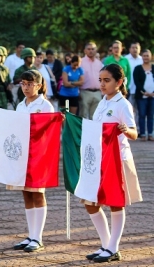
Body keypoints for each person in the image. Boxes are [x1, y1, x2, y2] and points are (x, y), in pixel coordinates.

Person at [84, 64, 142, 263]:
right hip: (100, 158)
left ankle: (113, 248)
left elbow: (134, 134)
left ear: (119, 82)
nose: (102, 84)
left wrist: (125, 129)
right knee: (90, 202)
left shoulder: (122, 104)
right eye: (100, 80)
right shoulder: (103, 101)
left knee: (115, 203)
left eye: (106, 80)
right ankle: (106, 245)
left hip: (118, 159)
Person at [11, 70, 54, 252]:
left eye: (30, 84)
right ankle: (30, 234)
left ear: (38, 85)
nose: (26, 87)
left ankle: (38, 237)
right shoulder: (20, 105)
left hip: (39, 155)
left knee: (37, 193)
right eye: (23, 84)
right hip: (22, 155)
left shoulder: (45, 106)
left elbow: (49, 132)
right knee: (26, 194)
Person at [133, 49, 154, 141]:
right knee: (141, 114)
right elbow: (137, 81)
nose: (146, 57)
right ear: (142, 57)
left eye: (147, 55)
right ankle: (142, 134)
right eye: (144, 55)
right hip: (141, 96)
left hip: (153, 96)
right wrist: (144, 91)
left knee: (151, 115)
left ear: (151, 57)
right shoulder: (137, 68)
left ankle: (150, 133)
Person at [80, 42, 103, 119]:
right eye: (89, 49)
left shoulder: (99, 63)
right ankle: (83, 131)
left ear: (96, 50)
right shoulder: (80, 62)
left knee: (95, 117)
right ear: (85, 51)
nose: (91, 51)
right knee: (83, 116)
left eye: (93, 49)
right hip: (84, 92)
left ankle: (93, 131)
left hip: (97, 93)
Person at [125, 42, 143, 118]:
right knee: (129, 111)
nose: (135, 49)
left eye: (136, 48)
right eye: (133, 47)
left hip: (140, 91)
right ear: (129, 49)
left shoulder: (142, 60)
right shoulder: (125, 59)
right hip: (129, 89)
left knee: (140, 112)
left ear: (139, 49)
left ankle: (137, 129)